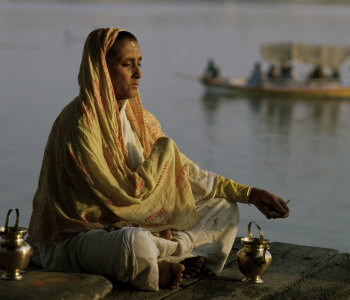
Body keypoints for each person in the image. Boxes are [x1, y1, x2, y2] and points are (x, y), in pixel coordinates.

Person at [27, 28, 290, 291]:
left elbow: (187, 172)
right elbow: (111, 201)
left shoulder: (140, 119)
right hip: (78, 236)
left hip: (141, 226)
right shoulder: (80, 123)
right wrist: (152, 221)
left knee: (225, 209)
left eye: (139, 64)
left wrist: (250, 194)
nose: (138, 73)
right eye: (127, 64)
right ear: (101, 69)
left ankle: (167, 253)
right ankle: (165, 257)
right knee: (132, 244)